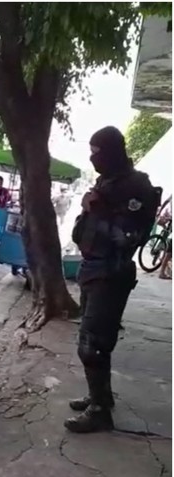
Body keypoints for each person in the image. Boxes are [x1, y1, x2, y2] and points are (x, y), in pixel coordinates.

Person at [66, 126, 160, 433]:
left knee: (93, 345)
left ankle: (100, 412)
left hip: (112, 271)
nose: (92, 158)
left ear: (112, 151)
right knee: (89, 339)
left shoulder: (137, 185)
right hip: (92, 268)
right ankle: (99, 397)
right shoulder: (107, 181)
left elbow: (131, 237)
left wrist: (100, 211)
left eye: (96, 152)